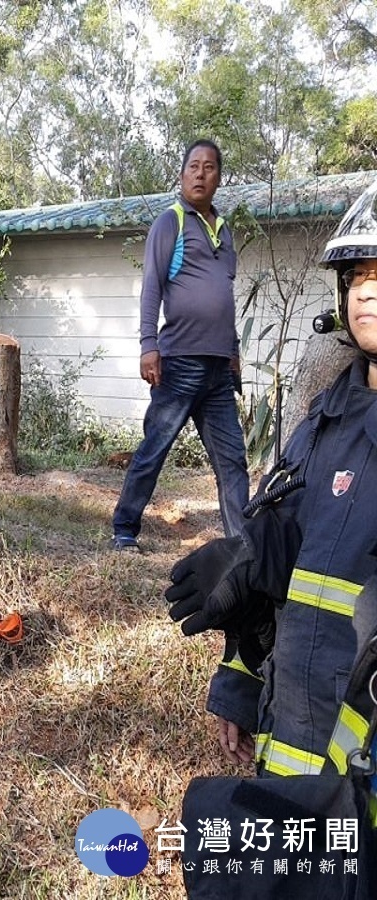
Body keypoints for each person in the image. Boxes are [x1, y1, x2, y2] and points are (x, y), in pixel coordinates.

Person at [166, 177, 377, 811]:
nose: (368, 288)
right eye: (359, 273)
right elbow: (282, 561)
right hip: (293, 744)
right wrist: (243, 560)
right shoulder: (325, 421)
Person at [111, 139, 250, 551]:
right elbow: (152, 286)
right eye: (193, 166)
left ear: (218, 178)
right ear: (182, 174)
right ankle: (124, 528)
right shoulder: (170, 222)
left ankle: (242, 544)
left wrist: (234, 351)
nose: (200, 174)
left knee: (232, 460)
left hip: (218, 371)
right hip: (178, 363)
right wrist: (147, 346)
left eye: (209, 167)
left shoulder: (225, 234)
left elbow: (225, 298)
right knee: (155, 448)